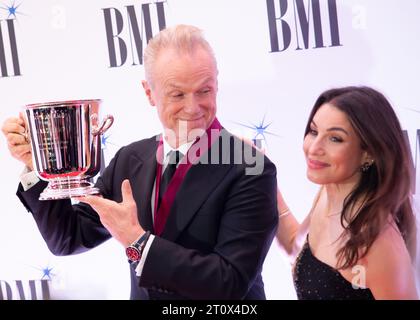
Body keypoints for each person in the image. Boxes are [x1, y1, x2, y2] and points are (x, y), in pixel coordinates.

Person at [1, 25, 278, 299]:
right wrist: (37, 166)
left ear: (216, 83)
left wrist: (138, 241)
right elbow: (68, 239)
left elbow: (229, 283)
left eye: (204, 91)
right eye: (178, 94)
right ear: (149, 93)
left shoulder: (250, 168)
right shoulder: (129, 160)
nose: (193, 107)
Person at [276, 86, 418, 299]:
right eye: (314, 131)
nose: (314, 148)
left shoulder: (378, 241)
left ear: (368, 153)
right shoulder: (328, 194)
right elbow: (295, 250)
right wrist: (260, 177)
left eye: (335, 139)